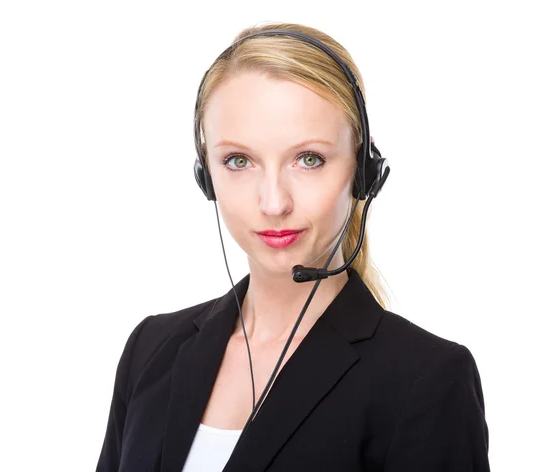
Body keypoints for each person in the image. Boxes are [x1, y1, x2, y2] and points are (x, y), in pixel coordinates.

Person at [95, 22, 490, 472]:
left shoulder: (426, 379)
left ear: (364, 172)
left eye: (309, 159)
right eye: (238, 161)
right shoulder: (151, 349)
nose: (273, 202)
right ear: (206, 176)